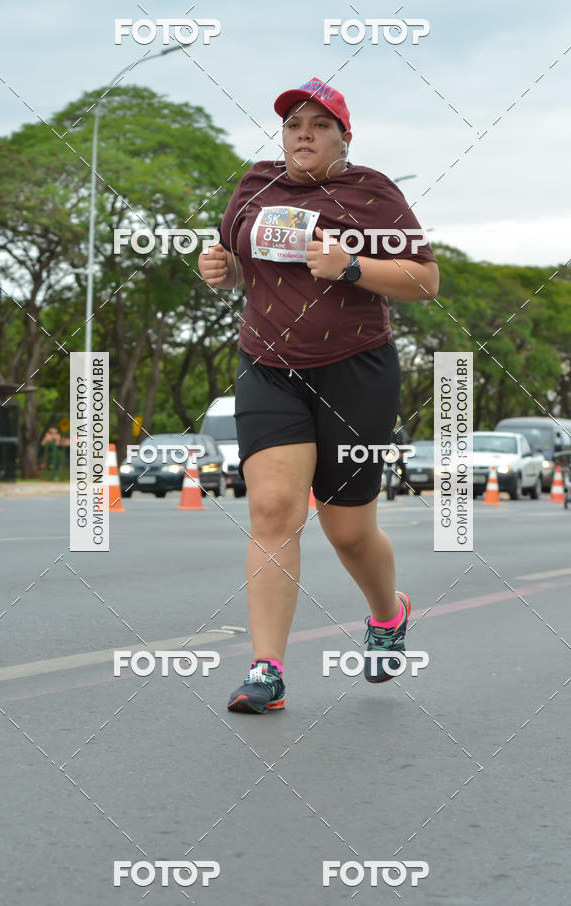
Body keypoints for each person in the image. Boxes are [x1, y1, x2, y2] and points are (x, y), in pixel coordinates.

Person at [197, 78, 439, 713]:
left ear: (343, 137)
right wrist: (223, 271)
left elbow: (425, 279)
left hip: (356, 369)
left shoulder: (371, 192)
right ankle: (266, 671)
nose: (303, 134)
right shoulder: (255, 186)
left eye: (319, 124)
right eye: (293, 124)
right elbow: (243, 265)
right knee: (273, 510)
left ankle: (387, 614)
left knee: (348, 530)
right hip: (268, 366)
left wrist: (351, 266)